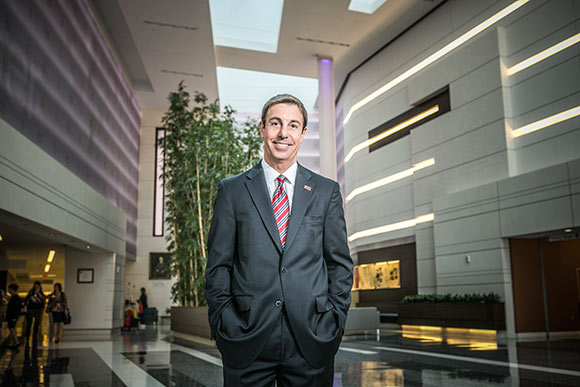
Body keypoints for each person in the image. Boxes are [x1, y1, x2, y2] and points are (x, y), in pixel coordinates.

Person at [205, 94, 353, 386]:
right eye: (276, 123)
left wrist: (334, 321)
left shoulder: (326, 192)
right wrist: (224, 321)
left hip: (312, 337)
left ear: (302, 133)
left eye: (293, 125)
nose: (283, 133)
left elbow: (339, 264)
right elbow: (218, 265)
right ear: (262, 128)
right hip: (246, 336)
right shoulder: (232, 191)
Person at [24, 281, 46, 345]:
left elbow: (43, 301)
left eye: (38, 286)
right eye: (35, 285)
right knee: (29, 322)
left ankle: (34, 335)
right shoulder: (31, 293)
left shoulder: (41, 293)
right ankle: (27, 335)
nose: (36, 287)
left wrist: (39, 295)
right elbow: (27, 299)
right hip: (31, 309)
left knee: (37, 323)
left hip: (38, 309)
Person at [3, 284, 22, 349]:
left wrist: (14, 317)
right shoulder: (15, 297)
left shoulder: (15, 298)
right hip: (13, 316)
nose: (8, 290)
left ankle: (16, 342)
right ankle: (15, 341)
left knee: (11, 327)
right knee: (11, 327)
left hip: (13, 316)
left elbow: (16, 308)